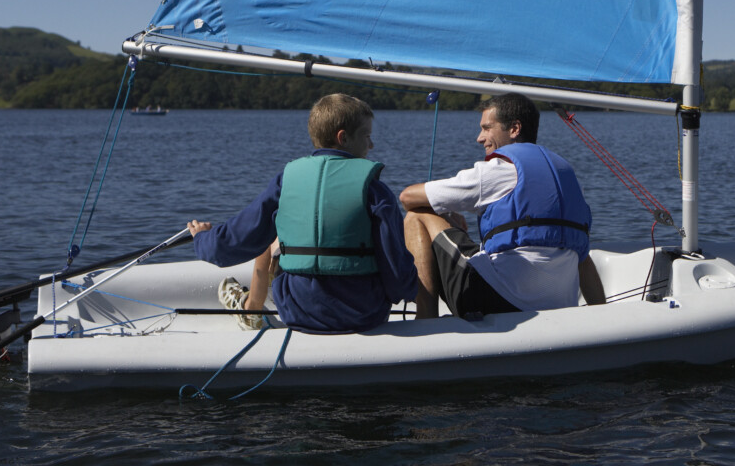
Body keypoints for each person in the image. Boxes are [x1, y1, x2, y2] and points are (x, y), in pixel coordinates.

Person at [189, 94, 417, 333]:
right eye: (367, 136)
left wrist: (202, 238)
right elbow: (397, 274)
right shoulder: (376, 191)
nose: (371, 145)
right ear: (343, 137)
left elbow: (234, 240)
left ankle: (250, 306)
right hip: (363, 314)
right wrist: (410, 289)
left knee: (274, 236)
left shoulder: (286, 182)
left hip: (298, 312)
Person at [400, 92, 605, 319]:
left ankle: (426, 318)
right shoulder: (566, 176)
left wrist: (446, 211)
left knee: (417, 214)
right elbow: (583, 259)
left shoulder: (496, 171)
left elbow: (407, 196)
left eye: (487, 128)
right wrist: (601, 317)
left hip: (497, 301)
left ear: (514, 128)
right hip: (560, 305)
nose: (480, 138)